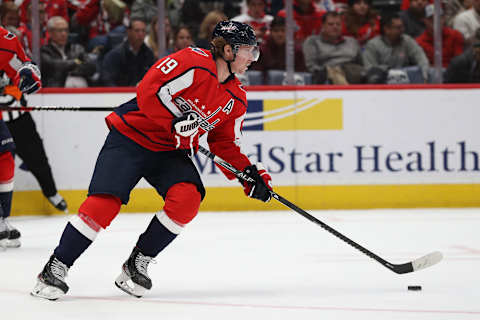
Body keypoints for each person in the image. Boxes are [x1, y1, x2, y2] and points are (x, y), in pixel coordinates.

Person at [31, 20, 273, 301]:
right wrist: (174, 121)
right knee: (104, 204)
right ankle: (56, 266)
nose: (252, 59)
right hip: (131, 138)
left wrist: (249, 175)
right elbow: (149, 90)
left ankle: (137, 263)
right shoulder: (192, 62)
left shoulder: (236, 98)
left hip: (169, 151)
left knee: (187, 197)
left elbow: (224, 143)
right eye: (248, 51)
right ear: (228, 51)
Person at [0, 26, 42, 248]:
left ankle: (2, 219)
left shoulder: (3, 40)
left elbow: (21, 65)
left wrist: (28, 75)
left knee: (5, 152)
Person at [362, 13, 430, 82]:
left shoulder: (407, 40)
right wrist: (388, 70)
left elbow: (422, 59)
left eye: (403, 26)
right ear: (387, 29)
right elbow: (369, 69)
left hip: (405, 82)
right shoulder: (373, 45)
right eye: (398, 28)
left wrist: (425, 76)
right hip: (381, 85)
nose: (402, 30)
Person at [303, 11, 364, 84]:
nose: (335, 27)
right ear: (323, 26)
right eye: (331, 24)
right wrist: (328, 72)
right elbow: (312, 66)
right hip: (329, 76)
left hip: (353, 73)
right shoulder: (313, 41)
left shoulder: (352, 41)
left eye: (338, 24)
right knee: (335, 74)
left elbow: (361, 64)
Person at [41, 16, 96, 87]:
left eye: (66, 30)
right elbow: (53, 66)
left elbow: (91, 67)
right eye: (60, 30)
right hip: (56, 88)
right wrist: (76, 62)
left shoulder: (77, 48)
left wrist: (69, 70)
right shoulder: (44, 51)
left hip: (81, 85)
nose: (64, 34)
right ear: (50, 32)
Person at [101, 18, 155, 86]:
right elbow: (108, 80)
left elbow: (153, 78)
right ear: (129, 32)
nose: (141, 34)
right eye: (137, 31)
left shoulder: (148, 54)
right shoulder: (116, 54)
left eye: (143, 31)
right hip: (120, 94)